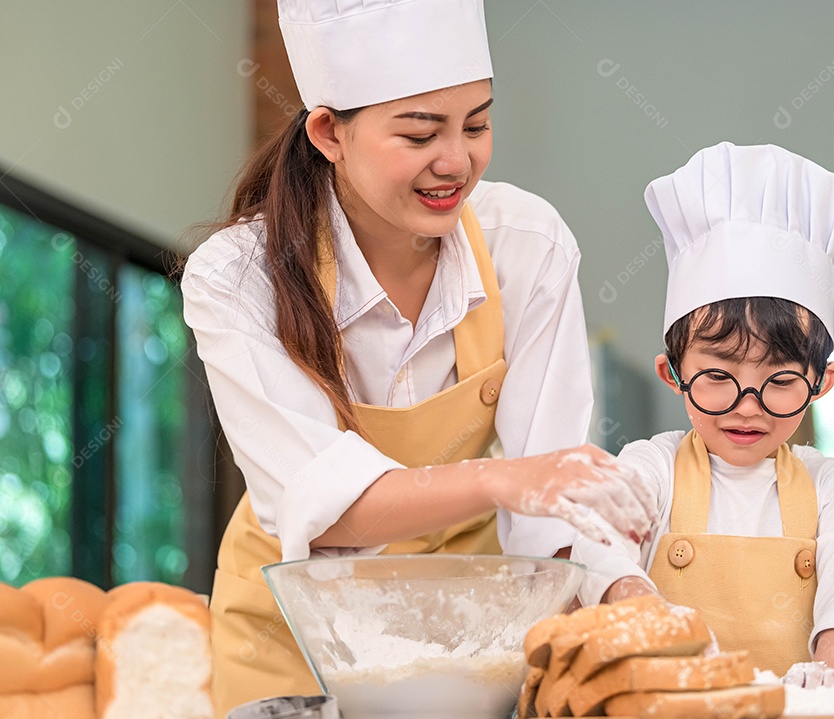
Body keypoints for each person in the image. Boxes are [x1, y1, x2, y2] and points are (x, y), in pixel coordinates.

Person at [181, 1, 654, 714]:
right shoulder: (237, 276)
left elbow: (549, 508)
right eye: (420, 132)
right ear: (328, 131)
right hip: (293, 642)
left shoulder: (528, 247)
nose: (456, 161)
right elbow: (330, 507)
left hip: (471, 641)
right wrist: (505, 479)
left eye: (478, 123)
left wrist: (625, 591)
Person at [570, 142, 834, 688]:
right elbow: (598, 549)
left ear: (820, 383)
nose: (747, 407)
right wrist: (651, 614)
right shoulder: (651, 465)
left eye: (781, 381)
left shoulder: (828, 483)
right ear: (673, 374)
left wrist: (829, 681)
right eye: (718, 377)